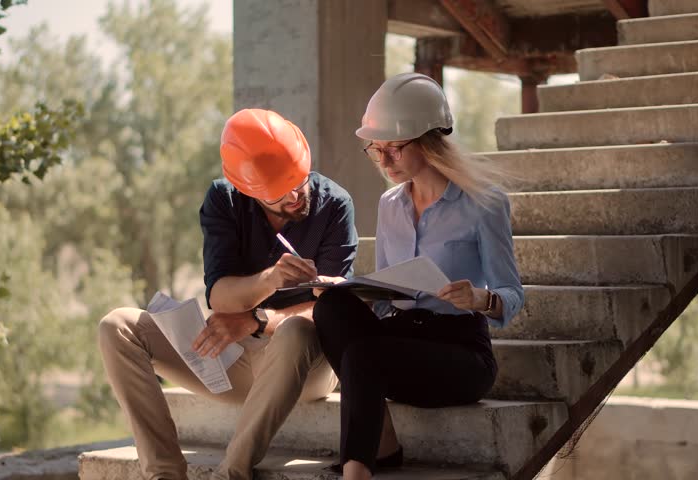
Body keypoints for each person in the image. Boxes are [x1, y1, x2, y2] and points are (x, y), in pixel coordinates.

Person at [98, 108, 358, 480]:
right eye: (279, 194)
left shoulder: (335, 205)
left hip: (303, 365)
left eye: (299, 181)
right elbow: (220, 299)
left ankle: (232, 473)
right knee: (117, 326)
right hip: (232, 360)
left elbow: (332, 310)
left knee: (296, 331)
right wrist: (270, 280)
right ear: (248, 190)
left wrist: (256, 318)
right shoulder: (224, 200)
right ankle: (165, 474)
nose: (296, 196)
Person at [312, 72, 525, 480]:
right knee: (333, 306)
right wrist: (353, 290)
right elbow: (393, 291)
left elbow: (512, 294)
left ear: (428, 140)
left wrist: (479, 298)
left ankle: (356, 472)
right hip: (402, 338)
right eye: (375, 150)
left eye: (393, 149)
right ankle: (383, 447)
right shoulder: (390, 204)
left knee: (364, 355)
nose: (384, 161)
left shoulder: (484, 203)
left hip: (461, 352)